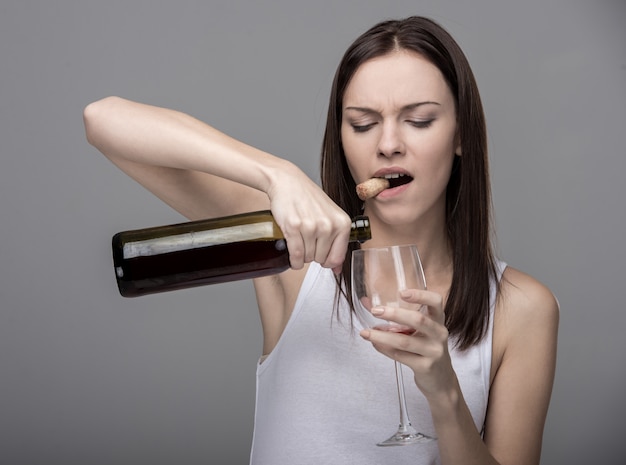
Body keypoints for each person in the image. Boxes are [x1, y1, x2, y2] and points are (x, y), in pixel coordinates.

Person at [84, 16, 559, 465]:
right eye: (362, 123)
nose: (388, 144)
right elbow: (103, 120)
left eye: (418, 120)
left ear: (460, 135)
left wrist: (445, 393)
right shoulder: (295, 256)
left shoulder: (522, 309)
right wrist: (276, 174)